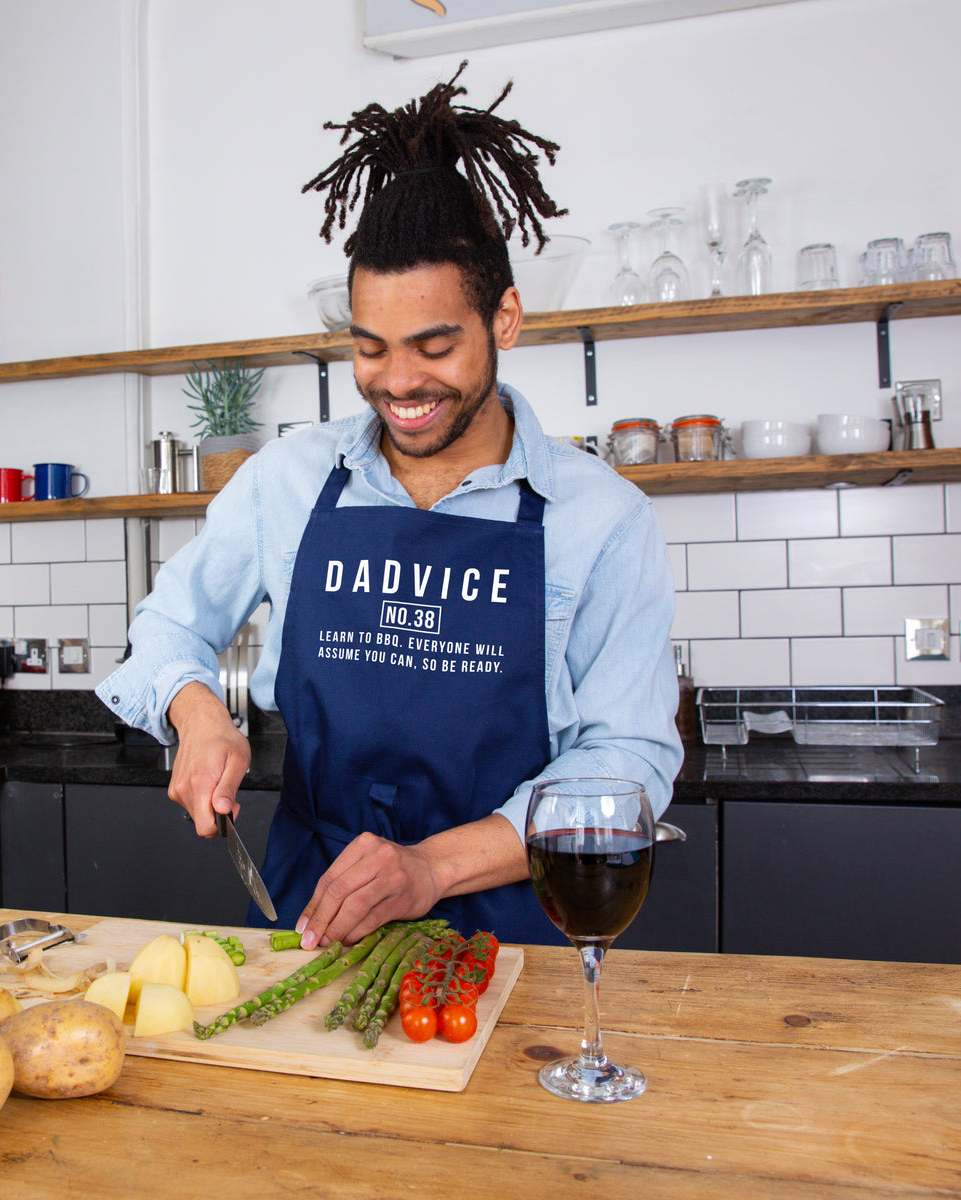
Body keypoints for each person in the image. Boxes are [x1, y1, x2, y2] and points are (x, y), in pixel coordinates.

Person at [98, 64, 682, 949]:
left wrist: (432, 867)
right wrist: (197, 712)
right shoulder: (286, 481)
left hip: (517, 929)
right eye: (370, 348)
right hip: (312, 916)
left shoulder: (602, 519)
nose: (399, 382)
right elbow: (166, 626)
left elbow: (626, 763)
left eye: (435, 345)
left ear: (506, 320)